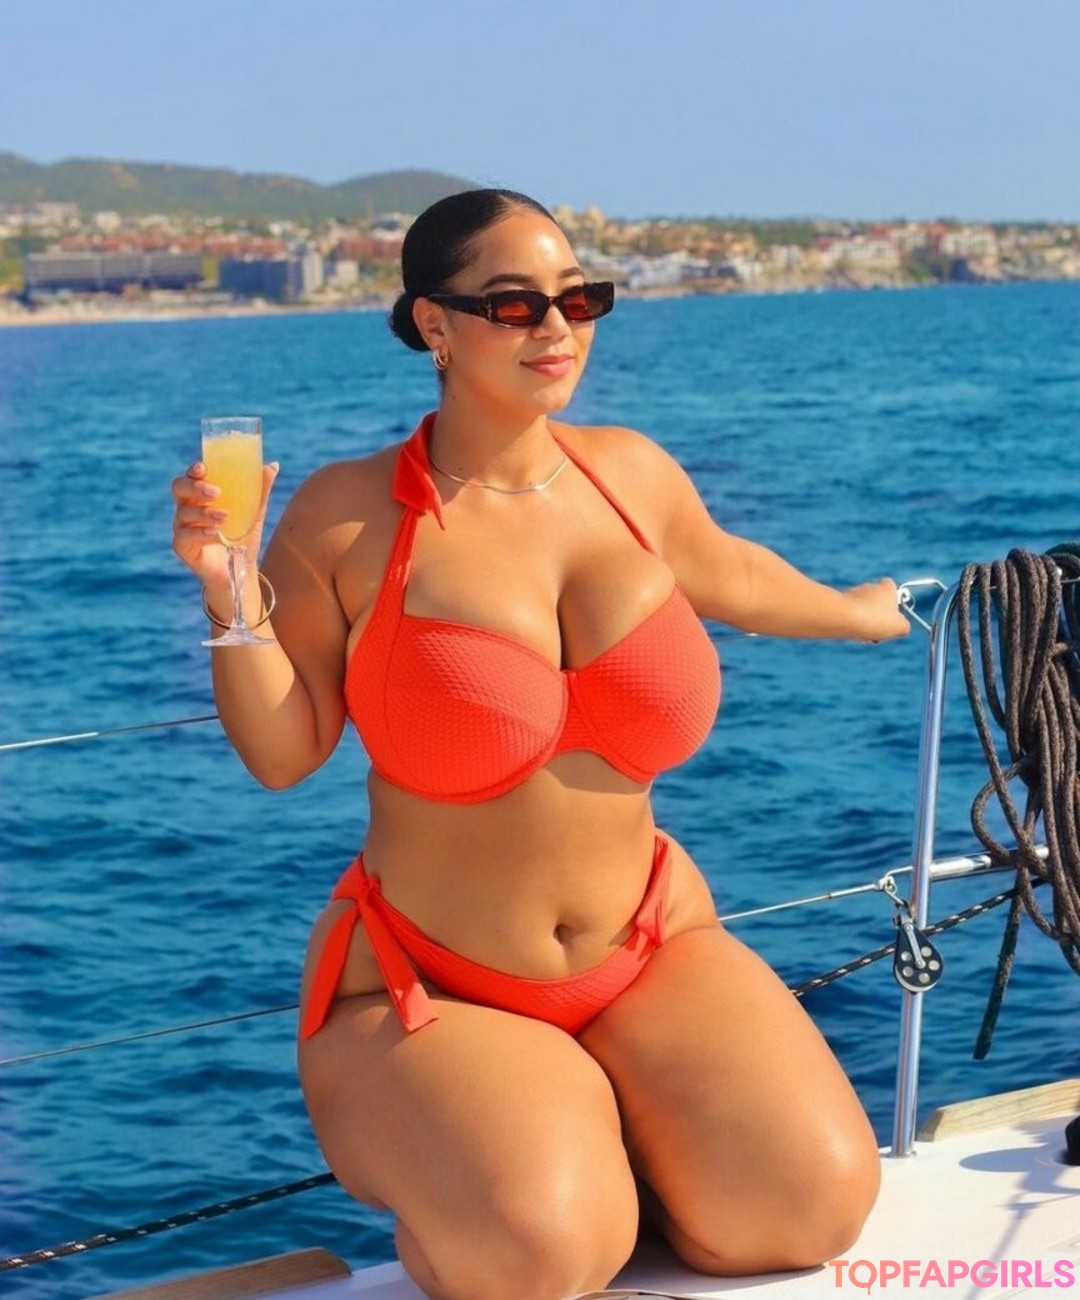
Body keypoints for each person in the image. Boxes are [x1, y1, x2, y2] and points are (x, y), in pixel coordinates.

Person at [172, 188, 910, 1300]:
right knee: (541, 1254)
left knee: (809, 1208)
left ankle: (595, 1135)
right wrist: (232, 594)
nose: (557, 328)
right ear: (434, 322)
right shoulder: (348, 515)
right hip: (432, 983)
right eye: (514, 305)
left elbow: (737, 574)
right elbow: (285, 752)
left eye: (580, 298)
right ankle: (536, 1157)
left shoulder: (632, 475)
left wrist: (866, 612)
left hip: (651, 943)